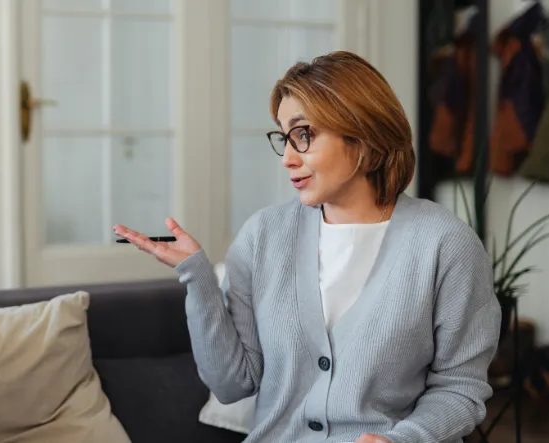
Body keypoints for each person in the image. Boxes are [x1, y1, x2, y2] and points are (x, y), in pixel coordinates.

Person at [114, 51, 501, 443]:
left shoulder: (445, 244)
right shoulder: (262, 236)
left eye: (304, 135)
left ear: (363, 133)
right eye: (284, 138)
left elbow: (460, 388)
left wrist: (406, 439)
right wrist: (196, 276)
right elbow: (233, 385)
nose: (287, 158)